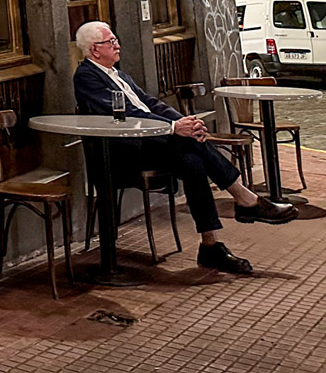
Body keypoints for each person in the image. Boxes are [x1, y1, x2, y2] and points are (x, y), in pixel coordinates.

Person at [74, 20, 298, 275]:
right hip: (121, 154)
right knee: (190, 145)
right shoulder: (87, 77)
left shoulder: (120, 74)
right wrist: (174, 127)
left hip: (150, 145)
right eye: (111, 42)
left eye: (116, 40)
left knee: (192, 160)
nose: (118, 45)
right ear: (94, 50)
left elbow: (149, 103)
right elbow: (127, 113)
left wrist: (183, 121)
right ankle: (245, 201)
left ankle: (211, 245)